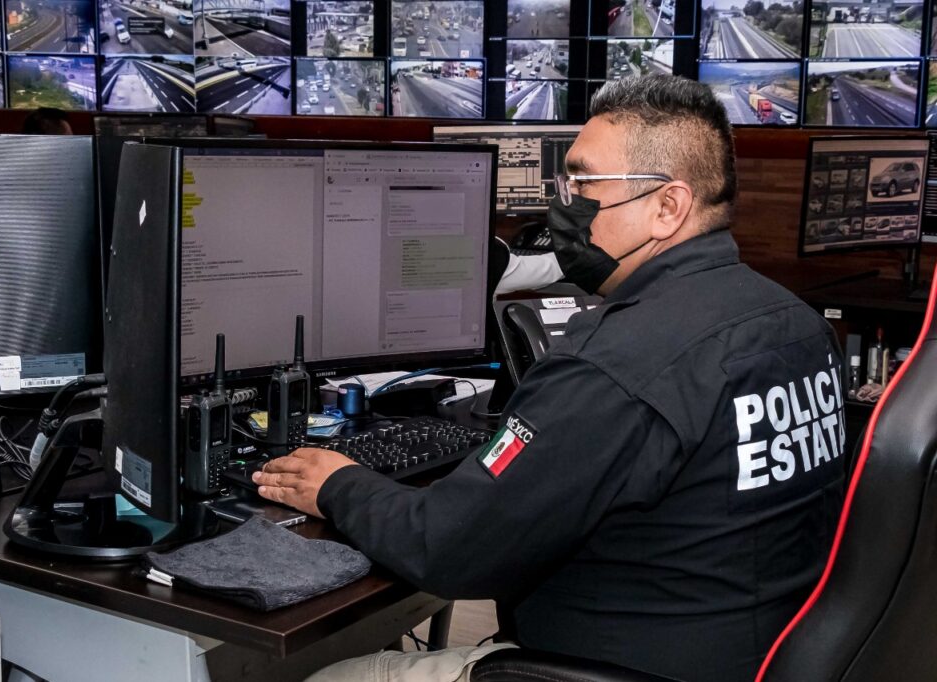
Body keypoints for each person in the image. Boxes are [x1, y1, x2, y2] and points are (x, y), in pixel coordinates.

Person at [254, 75, 846, 682]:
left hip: (604, 666)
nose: (565, 205)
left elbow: (447, 547)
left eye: (584, 183)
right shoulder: (797, 326)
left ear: (667, 207)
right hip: (757, 655)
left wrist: (339, 483)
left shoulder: (612, 367)